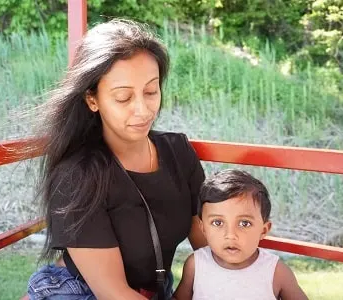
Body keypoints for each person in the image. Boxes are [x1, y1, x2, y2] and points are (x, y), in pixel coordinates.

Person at [26, 19, 207, 300]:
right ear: (92, 100)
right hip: (79, 292)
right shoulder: (77, 176)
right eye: (123, 98)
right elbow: (113, 293)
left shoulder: (179, 153)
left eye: (151, 91)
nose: (142, 109)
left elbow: (213, 249)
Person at [173, 169, 308, 300]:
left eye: (244, 223)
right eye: (218, 223)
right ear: (203, 228)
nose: (230, 235)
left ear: (263, 230)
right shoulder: (196, 265)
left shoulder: (276, 272)